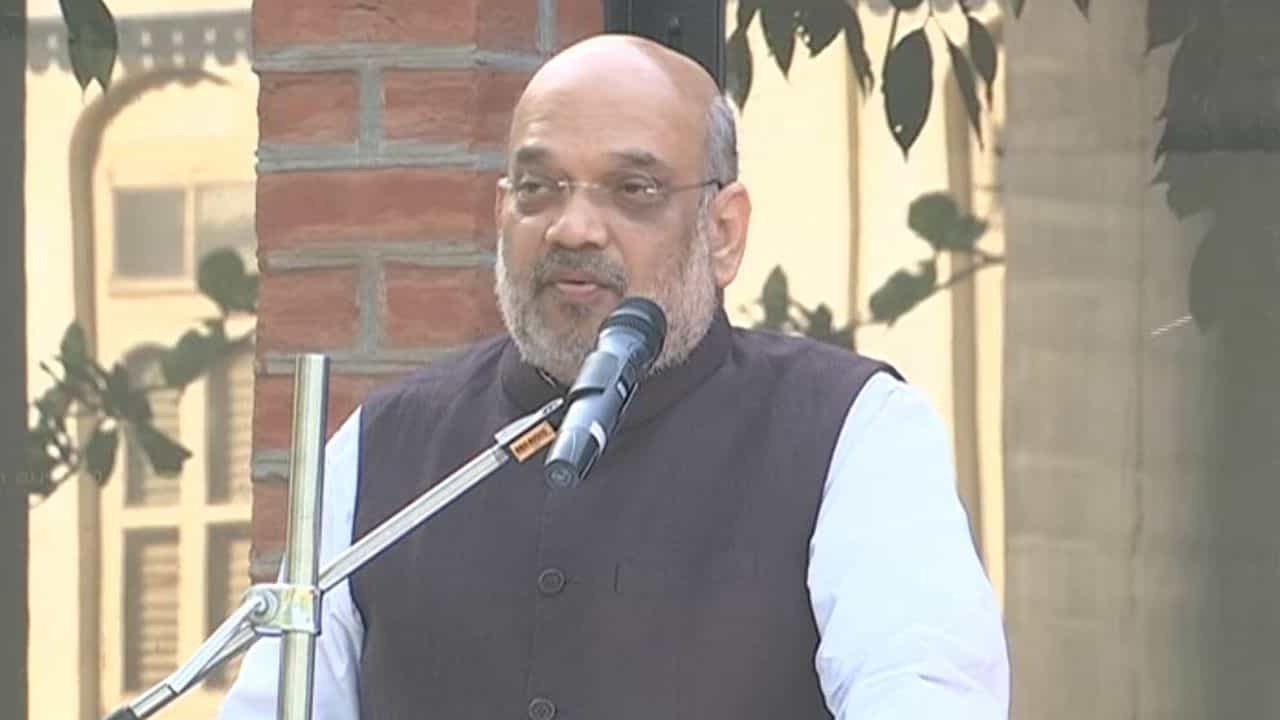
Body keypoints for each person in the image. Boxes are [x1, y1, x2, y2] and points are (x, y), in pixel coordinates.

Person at [219, 34, 1008, 720]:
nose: (574, 228)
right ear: (501, 214)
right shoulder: (386, 446)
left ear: (723, 232)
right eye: (539, 189)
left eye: (634, 191)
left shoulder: (850, 432)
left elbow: (924, 694)